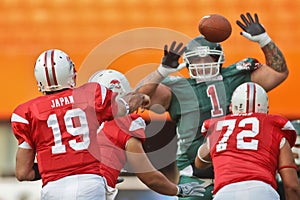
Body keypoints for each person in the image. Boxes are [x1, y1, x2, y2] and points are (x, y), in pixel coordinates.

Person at [136, 12, 289, 200]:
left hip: (237, 170)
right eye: (197, 60)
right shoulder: (177, 89)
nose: (203, 63)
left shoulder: (236, 76)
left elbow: (278, 73)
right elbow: (139, 97)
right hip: (194, 174)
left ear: (219, 59)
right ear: (188, 63)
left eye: (208, 58)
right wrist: (162, 71)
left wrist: (264, 40)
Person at [10, 49, 151, 200]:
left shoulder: (27, 112)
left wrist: (52, 167)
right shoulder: (89, 95)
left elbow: (23, 173)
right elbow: (124, 107)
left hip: (54, 188)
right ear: (70, 73)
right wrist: (141, 97)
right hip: (89, 184)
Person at [88, 69, 206, 199]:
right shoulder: (125, 124)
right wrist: (178, 190)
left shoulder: (76, 119)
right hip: (93, 190)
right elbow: (149, 176)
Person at [195, 82, 300, 200]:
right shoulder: (274, 127)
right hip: (262, 191)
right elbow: (291, 186)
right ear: (266, 109)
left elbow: (199, 162)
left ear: (232, 107)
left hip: (225, 193)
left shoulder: (219, 127)